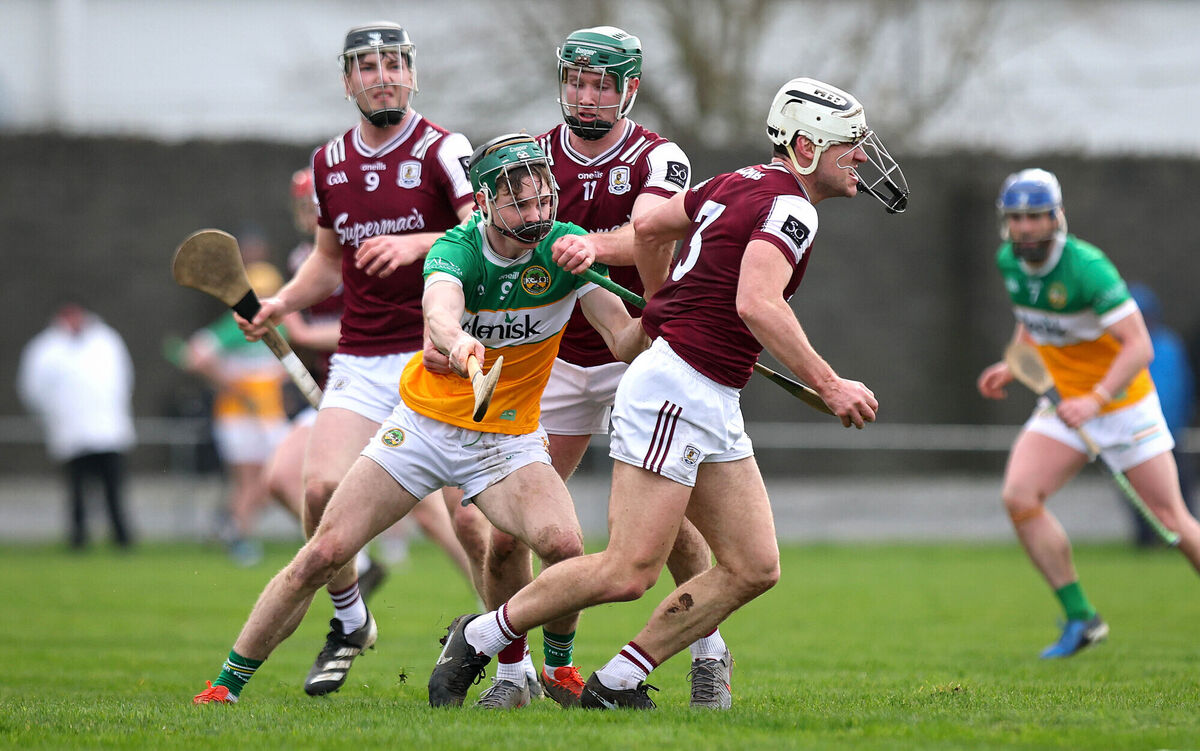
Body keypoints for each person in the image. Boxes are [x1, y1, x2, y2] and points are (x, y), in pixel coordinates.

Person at [427, 77, 909, 710]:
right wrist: (830, 382)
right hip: (677, 389)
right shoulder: (794, 208)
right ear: (805, 146)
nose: (863, 158)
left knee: (754, 566)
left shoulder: (739, 183)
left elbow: (651, 224)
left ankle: (618, 680)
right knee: (629, 571)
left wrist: (646, 289)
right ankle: (482, 635)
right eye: (851, 145)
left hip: (709, 392)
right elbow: (756, 303)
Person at [193, 133, 646, 706]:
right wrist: (459, 347)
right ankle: (225, 686)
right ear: (484, 203)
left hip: (506, 439)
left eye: (542, 201)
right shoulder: (456, 248)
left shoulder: (566, 251)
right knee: (325, 553)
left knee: (563, 544)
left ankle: (553, 670)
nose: (535, 216)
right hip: (424, 429)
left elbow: (622, 338)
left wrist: (662, 315)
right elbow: (440, 310)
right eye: (519, 204)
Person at [206, 22, 489, 698]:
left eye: (393, 63)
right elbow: (329, 262)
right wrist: (280, 306)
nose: (382, 75)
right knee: (314, 489)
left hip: (438, 350)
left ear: (411, 74)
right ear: (348, 81)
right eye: (367, 66)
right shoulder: (330, 162)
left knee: (473, 522)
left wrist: (419, 244)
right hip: (361, 357)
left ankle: (507, 649)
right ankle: (351, 616)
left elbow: (485, 231)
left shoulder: (443, 148)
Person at [475, 25, 724, 709]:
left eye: (601, 83)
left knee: (676, 531)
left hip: (643, 350)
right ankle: (513, 673)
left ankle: (709, 652)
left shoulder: (657, 156)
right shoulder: (532, 158)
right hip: (550, 359)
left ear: (629, 88)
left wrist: (594, 248)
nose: (585, 97)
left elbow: (650, 230)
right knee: (506, 537)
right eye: (577, 81)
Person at [977, 169, 1200, 658]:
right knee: (1020, 497)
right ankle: (1081, 618)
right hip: (1063, 404)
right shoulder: (1008, 261)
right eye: (1016, 218)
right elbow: (1033, 324)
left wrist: (1095, 400)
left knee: (1173, 523)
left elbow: (1139, 347)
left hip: (1121, 407)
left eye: (1035, 216)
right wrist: (1012, 363)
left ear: (1056, 216)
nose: (1026, 227)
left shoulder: (1087, 268)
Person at [264, 168, 474, 593]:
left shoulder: (361, 250)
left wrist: (300, 332)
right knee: (286, 477)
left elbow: (358, 320)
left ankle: (490, 600)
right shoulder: (302, 259)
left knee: (436, 513)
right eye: (303, 208)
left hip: (388, 378)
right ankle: (357, 564)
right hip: (340, 386)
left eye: (315, 207)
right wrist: (277, 310)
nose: (310, 215)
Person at [184, 260, 290, 566]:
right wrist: (232, 386)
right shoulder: (236, 325)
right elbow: (195, 357)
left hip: (269, 416)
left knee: (274, 478)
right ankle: (240, 536)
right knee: (249, 481)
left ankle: (232, 525)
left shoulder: (280, 326)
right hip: (238, 417)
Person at [17, 303, 136, 550]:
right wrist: (52, 417)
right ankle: (78, 538)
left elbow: (124, 378)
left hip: (108, 429)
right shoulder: (45, 348)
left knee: (113, 488)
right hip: (70, 430)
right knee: (77, 490)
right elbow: (32, 389)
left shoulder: (106, 341)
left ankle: (122, 537)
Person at [1124, 282, 1196, 545]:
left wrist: (1182, 419)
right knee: (1137, 491)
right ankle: (1146, 539)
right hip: (1135, 434)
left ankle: (1182, 537)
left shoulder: (1169, 345)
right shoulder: (1119, 350)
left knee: (1179, 488)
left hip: (1170, 433)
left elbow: (1184, 386)